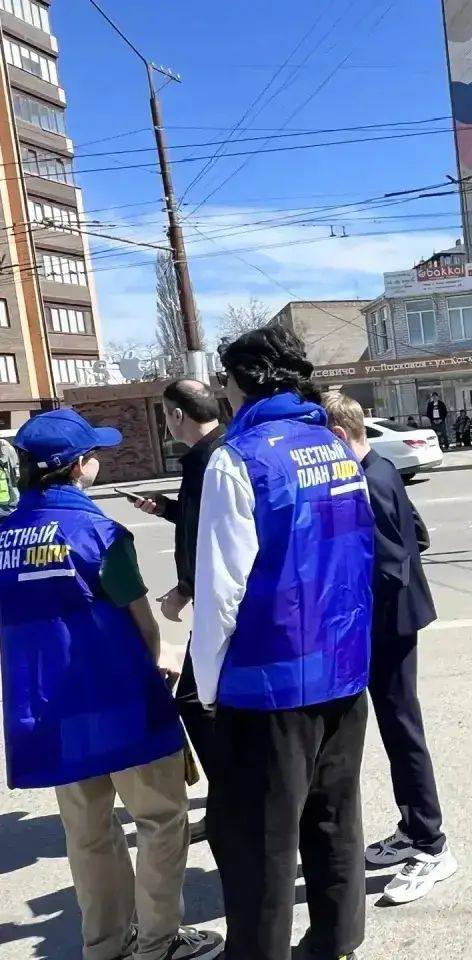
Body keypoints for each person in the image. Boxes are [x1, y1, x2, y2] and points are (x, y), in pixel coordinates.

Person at [0, 409, 223, 960]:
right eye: (93, 453)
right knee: (160, 819)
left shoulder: (4, 537)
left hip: (52, 708)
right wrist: (161, 664)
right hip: (120, 700)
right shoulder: (98, 533)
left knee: (87, 830)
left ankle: (104, 944)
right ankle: (159, 942)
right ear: (78, 466)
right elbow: (143, 625)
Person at [192, 328, 374, 960]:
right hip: (342, 669)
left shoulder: (238, 459)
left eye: (225, 379)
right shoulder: (335, 445)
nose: (223, 390)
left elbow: (220, 590)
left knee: (261, 845)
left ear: (243, 381)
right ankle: (335, 944)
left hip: (268, 684)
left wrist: (207, 687)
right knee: (334, 818)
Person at [320, 392, 458, 905]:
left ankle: (432, 845)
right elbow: (418, 534)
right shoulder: (380, 468)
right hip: (391, 619)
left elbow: (391, 562)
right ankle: (412, 827)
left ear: (338, 436)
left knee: (402, 730)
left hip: (387, 624)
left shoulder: (366, 481)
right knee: (397, 727)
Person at [133, 380, 226, 823]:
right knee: (207, 700)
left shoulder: (209, 458)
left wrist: (183, 590)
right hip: (222, 601)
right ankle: (232, 796)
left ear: (176, 415)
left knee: (193, 699)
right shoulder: (211, 452)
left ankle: (230, 799)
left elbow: (210, 536)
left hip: (218, 603)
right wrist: (166, 508)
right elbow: (198, 518)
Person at [0, 432, 19, 519]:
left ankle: (12, 504)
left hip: (7, 471)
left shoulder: (4, 446)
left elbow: (3, 460)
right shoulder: (8, 446)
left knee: (10, 487)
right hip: (9, 471)